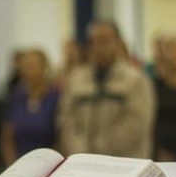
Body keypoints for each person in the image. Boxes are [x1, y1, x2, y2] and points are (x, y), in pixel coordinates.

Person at [58, 21, 155, 158]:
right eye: (94, 42)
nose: (99, 47)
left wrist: (101, 147)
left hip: (123, 160)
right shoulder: (76, 79)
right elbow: (66, 119)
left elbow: (136, 123)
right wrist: (79, 149)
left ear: (118, 43)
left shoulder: (135, 80)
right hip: (82, 161)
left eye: (104, 41)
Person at [2, 50, 60, 165]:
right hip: (18, 162)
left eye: (34, 66)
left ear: (45, 67)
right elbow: (7, 136)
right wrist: (12, 164)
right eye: (27, 66)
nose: (30, 71)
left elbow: (60, 136)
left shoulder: (55, 97)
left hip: (47, 163)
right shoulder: (17, 96)